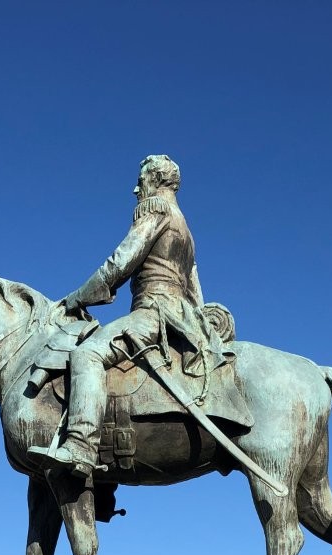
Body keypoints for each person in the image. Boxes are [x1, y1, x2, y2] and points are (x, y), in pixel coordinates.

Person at [28, 154, 229, 477]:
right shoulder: (186, 230)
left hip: (154, 313)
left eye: (142, 180)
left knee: (87, 354)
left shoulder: (157, 210)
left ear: (158, 181)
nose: (136, 188)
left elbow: (122, 260)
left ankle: (80, 444)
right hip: (181, 317)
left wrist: (79, 296)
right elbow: (195, 291)